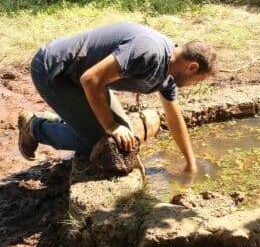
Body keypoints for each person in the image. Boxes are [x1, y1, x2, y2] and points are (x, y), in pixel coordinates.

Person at [18, 21, 217, 174]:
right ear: (192, 67)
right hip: (53, 71)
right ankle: (35, 128)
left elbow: (175, 119)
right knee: (101, 143)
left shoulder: (169, 72)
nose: (195, 85)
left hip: (84, 78)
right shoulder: (149, 53)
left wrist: (190, 163)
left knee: (126, 139)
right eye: (198, 80)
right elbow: (90, 79)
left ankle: (60, 121)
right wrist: (111, 126)